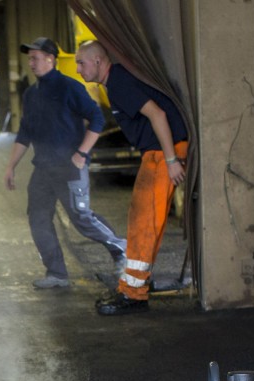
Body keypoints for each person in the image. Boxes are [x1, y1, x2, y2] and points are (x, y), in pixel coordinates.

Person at [75, 40, 189, 315]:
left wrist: (172, 159)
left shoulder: (119, 82)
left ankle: (134, 294)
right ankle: (135, 285)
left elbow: (157, 115)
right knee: (144, 220)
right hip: (158, 153)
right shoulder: (117, 82)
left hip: (162, 154)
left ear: (99, 62)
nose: (78, 69)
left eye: (81, 62)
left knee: (143, 223)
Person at [4, 37, 126, 289]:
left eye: (35, 58)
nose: (31, 63)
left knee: (81, 218)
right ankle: (57, 274)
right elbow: (25, 133)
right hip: (43, 169)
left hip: (70, 168)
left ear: (51, 58)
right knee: (38, 219)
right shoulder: (31, 95)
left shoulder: (69, 87)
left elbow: (97, 119)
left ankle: (122, 250)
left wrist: (82, 153)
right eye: (30, 59)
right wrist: (11, 166)